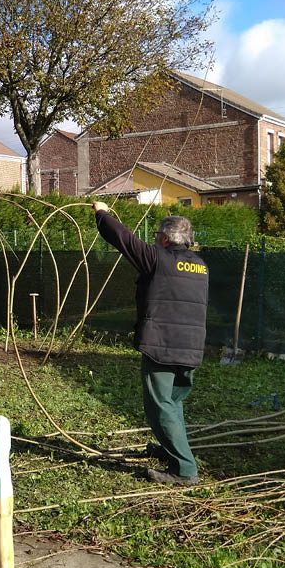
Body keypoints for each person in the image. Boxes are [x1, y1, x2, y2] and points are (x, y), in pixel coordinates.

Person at [92, 201, 208, 485]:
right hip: (191, 347)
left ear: (165, 238)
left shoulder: (158, 259)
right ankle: (172, 450)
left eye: (157, 235)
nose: (154, 240)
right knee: (172, 403)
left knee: (160, 406)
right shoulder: (201, 266)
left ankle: (184, 470)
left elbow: (123, 239)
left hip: (163, 346)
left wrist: (101, 213)